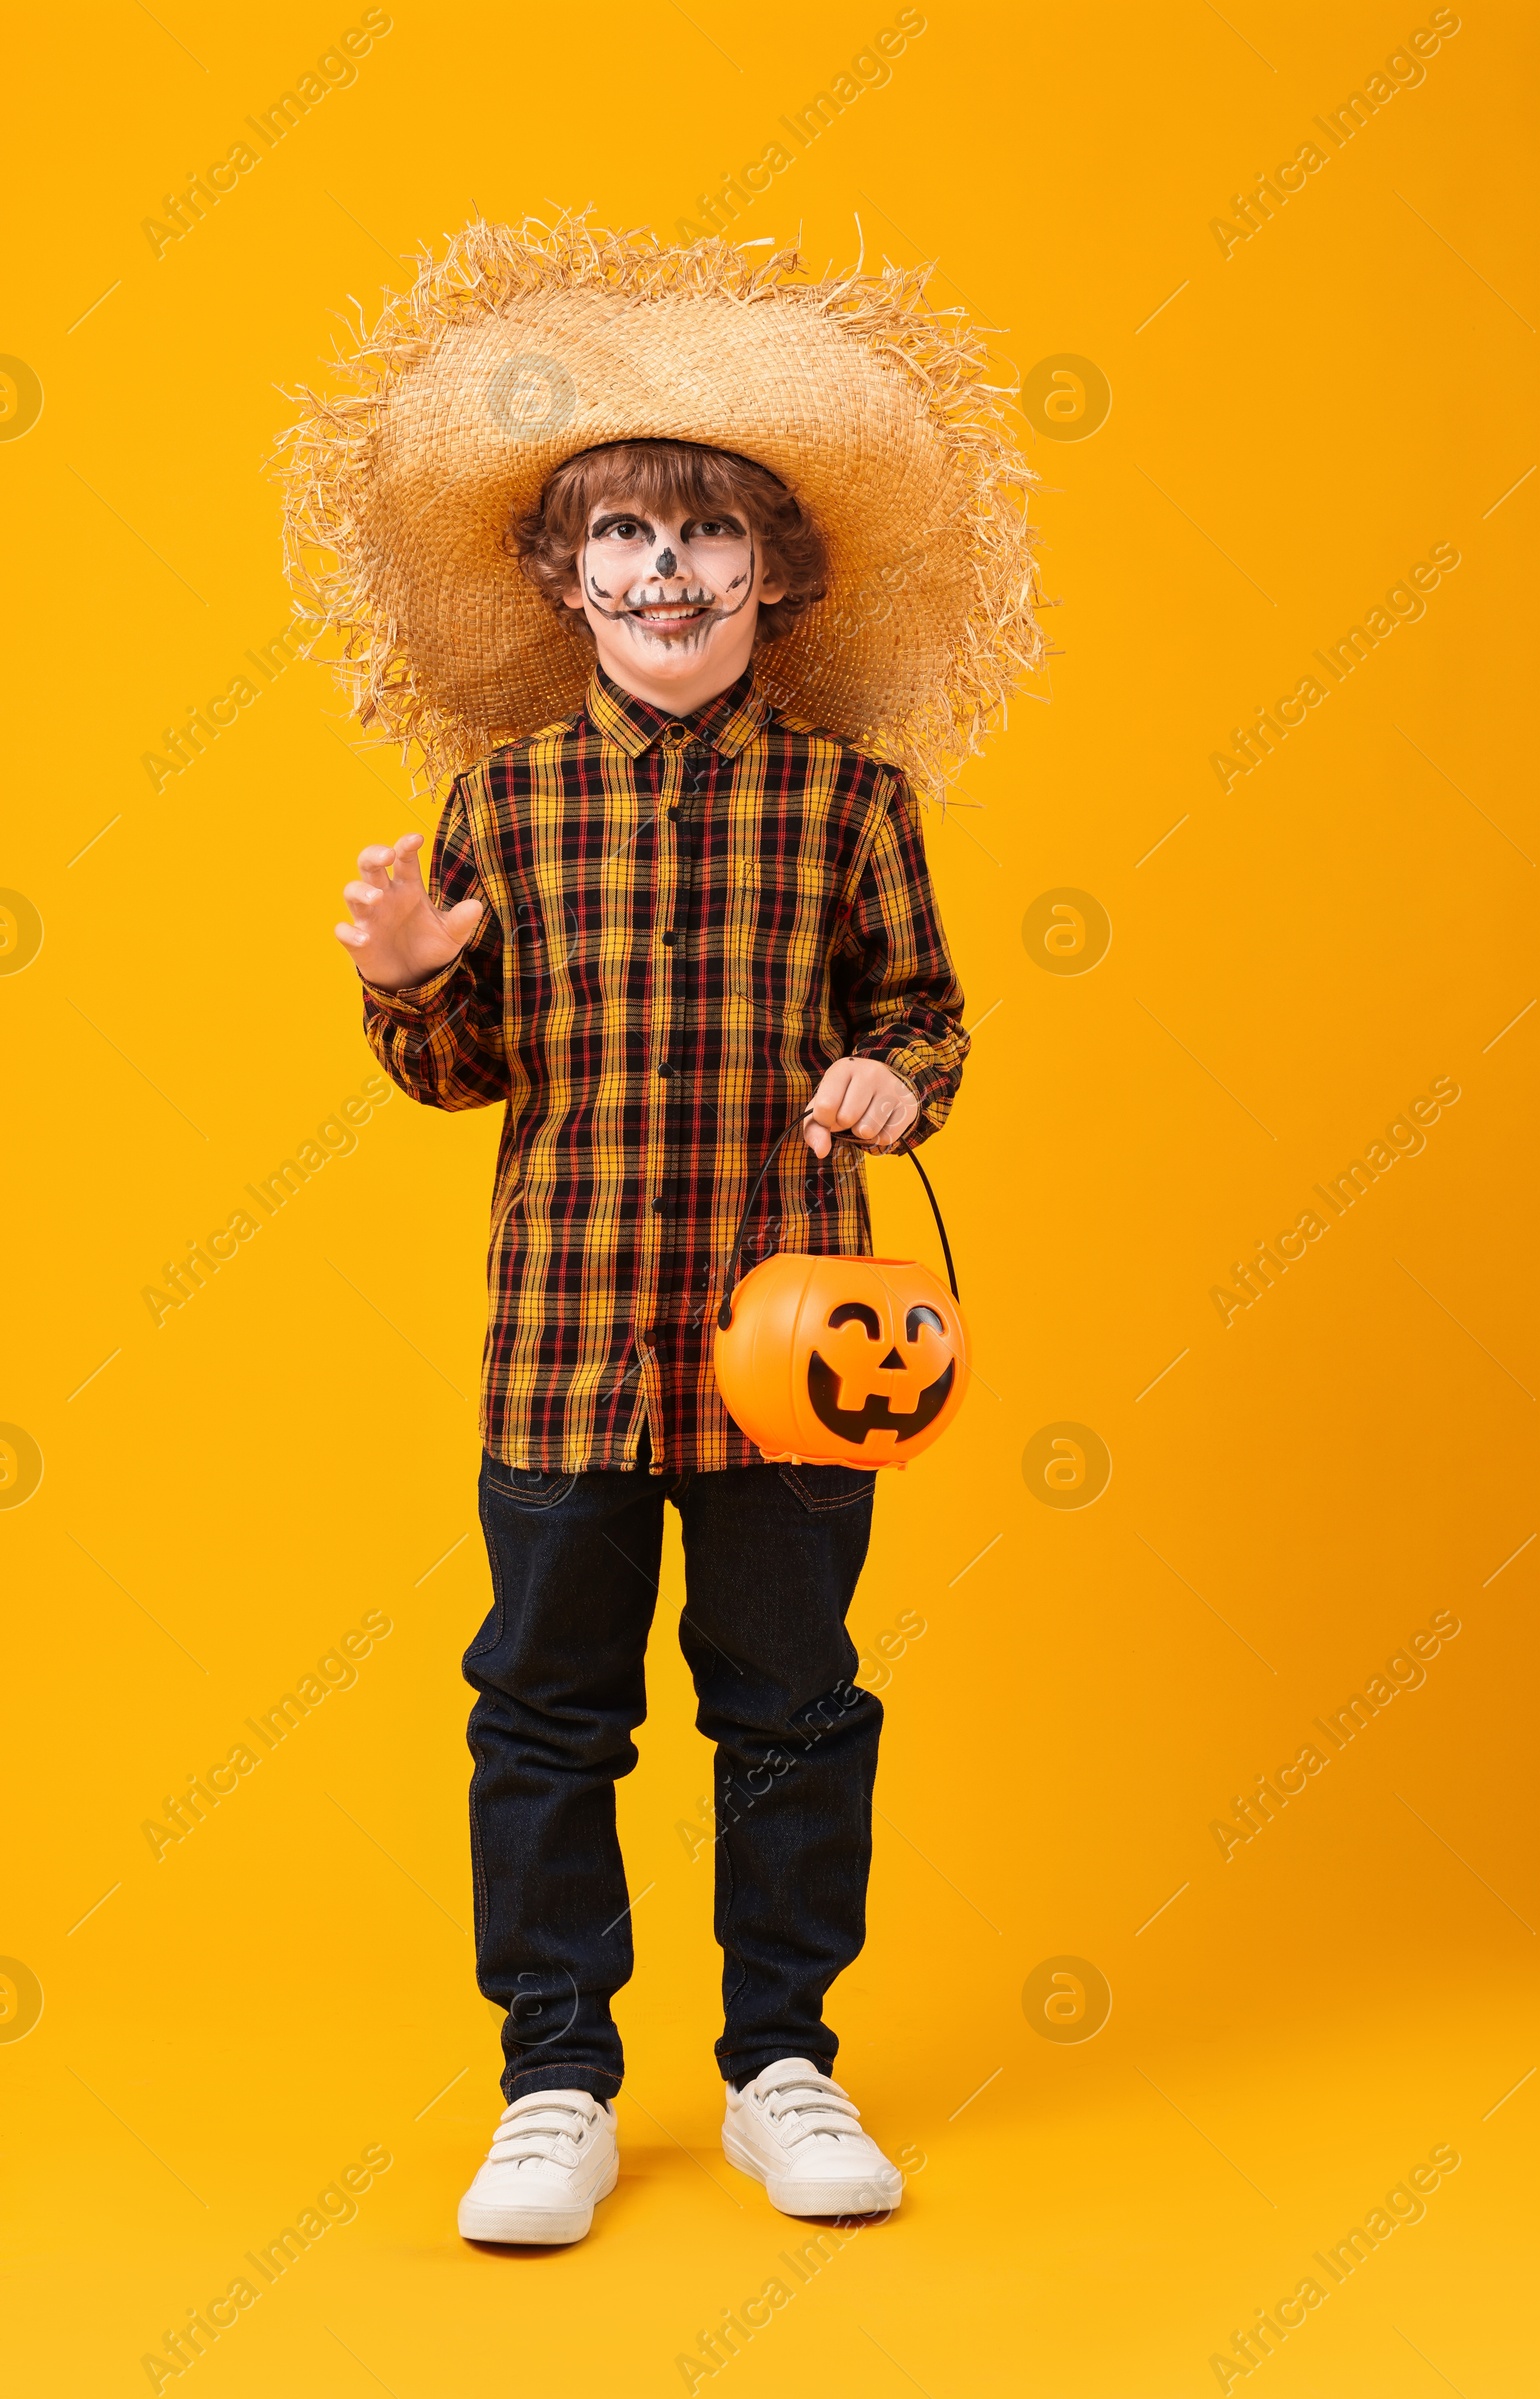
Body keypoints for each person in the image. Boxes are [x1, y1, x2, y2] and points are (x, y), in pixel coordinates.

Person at [285, 214, 1039, 2245]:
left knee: (790, 1707)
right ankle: (553, 2082)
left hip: (791, 1346)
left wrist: (897, 1080)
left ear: (773, 575)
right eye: (619, 535)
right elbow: (459, 1083)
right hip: (561, 1344)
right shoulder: (497, 802)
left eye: (706, 539)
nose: (664, 572)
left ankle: (785, 2058)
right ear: (559, 575)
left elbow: (922, 1019)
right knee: (543, 1708)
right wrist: (414, 978)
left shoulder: (854, 799)